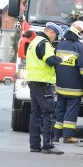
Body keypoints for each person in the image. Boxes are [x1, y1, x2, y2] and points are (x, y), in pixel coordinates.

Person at [26, 22, 63, 155]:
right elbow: (50, 60)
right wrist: (60, 59)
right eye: (56, 36)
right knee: (49, 114)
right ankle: (48, 145)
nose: (55, 39)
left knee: (35, 114)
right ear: (51, 32)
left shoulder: (34, 42)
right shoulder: (45, 44)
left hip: (33, 81)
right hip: (43, 83)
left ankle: (34, 145)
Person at [54, 20, 83, 143]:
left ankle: (56, 135)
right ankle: (68, 136)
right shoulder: (79, 47)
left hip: (60, 86)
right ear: (80, 33)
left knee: (59, 110)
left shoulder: (59, 45)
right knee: (71, 112)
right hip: (74, 88)